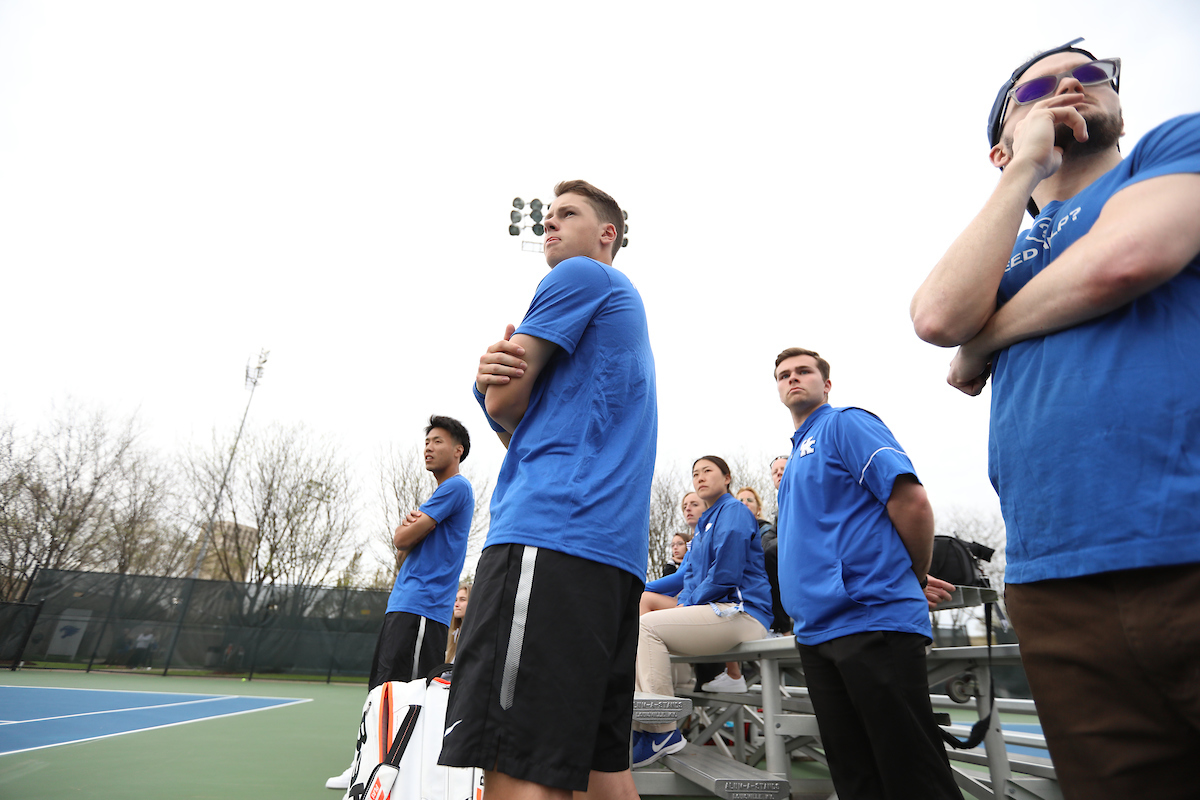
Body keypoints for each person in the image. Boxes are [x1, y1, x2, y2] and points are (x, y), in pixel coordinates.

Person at [910, 38, 1200, 799]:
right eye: (1037, 90)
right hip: (1053, 580)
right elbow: (937, 315)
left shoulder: (1173, 148)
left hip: (1184, 542)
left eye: (1091, 74)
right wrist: (1024, 171)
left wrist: (988, 339)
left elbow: (1128, 259)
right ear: (1000, 146)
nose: (1072, 85)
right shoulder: (1003, 257)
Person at [441, 180, 657, 800]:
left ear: (607, 233)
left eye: (567, 213)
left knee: (519, 768)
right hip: (610, 560)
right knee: (600, 774)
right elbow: (526, 429)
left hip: (550, 539)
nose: (549, 224)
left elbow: (506, 405)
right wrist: (491, 389)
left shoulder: (581, 275)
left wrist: (487, 388)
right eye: (548, 216)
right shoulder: (622, 308)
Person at [773, 347, 960, 800]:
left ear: (826, 384)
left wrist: (913, 576)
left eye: (803, 371)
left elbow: (911, 502)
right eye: (783, 374)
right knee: (855, 777)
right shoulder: (794, 458)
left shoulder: (845, 423)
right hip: (814, 632)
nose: (792, 378)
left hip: (869, 620)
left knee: (912, 776)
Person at [326, 415, 474, 791]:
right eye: (427, 441)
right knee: (382, 689)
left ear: (458, 450)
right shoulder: (437, 497)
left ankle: (398, 773)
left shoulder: (456, 487)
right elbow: (403, 549)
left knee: (411, 692)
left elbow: (401, 538)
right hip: (404, 604)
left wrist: (409, 531)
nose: (428, 447)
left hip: (424, 608)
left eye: (438, 441)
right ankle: (365, 765)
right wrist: (410, 532)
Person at [631, 455, 772, 768]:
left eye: (708, 471)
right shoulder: (705, 523)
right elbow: (689, 577)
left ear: (727, 477)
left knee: (647, 627)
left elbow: (726, 574)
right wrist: (680, 600)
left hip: (743, 612)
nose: (700, 477)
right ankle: (644, 728)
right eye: (695, 473)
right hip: (719, 609)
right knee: (641, 623)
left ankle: (661, 731)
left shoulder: (733, 511)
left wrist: (688, 604)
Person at [445, 582, 471, 663]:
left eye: (462, 599)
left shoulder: (475, 634)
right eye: (455, 600)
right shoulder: (454, 634)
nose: (456, 604)